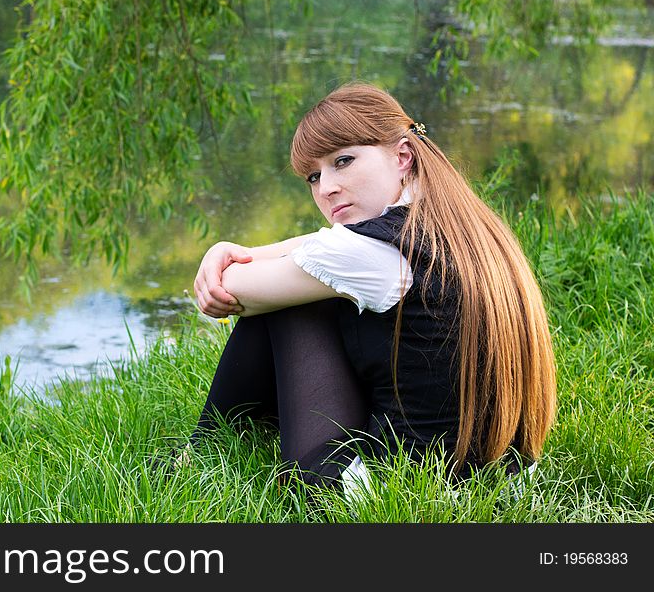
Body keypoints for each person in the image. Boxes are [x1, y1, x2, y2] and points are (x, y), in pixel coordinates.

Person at [188, 82, 557, 500]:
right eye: (313, 176)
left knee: (286, 303)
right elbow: (324, 247)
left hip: (397, 490)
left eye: (342, 161)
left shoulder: (371, 253)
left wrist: (223, 259)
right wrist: (244, 250)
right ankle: (221, 440)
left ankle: (201, 452)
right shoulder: (465, 228)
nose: (325, 188)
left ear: (402, 156)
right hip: (505, 478)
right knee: (308, 281)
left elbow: (233, 287)